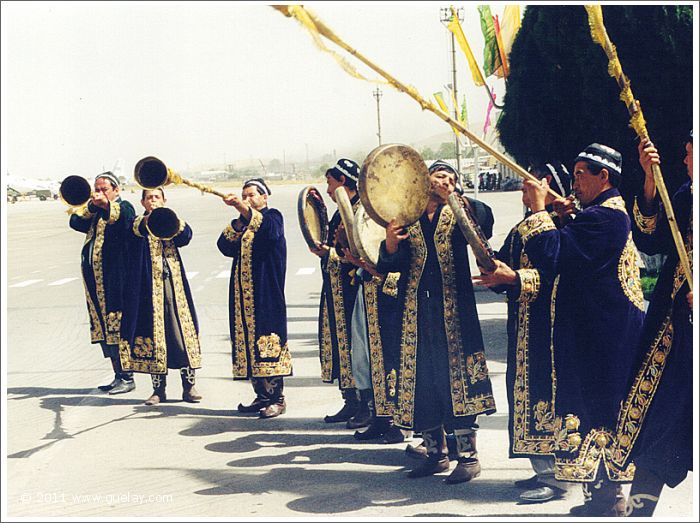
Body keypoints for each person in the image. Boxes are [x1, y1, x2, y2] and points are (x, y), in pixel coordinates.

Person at [519, 143, 646, 517]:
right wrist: (566, 216)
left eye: (579, 175)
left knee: (601, 414)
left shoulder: (606, 218)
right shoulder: (599, 215)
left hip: (605, 338)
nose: (573, 183)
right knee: (596, 413)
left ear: (602, 176)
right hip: (601, 334)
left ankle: (611, 500)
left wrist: (538, 211)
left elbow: (555, 253)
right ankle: (602, 497)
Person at [377, 161, 497, 483]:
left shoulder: (458, 212)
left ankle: (468, 458)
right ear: (424, 178)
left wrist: (457, 198)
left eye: (452, 178)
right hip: (416, 314)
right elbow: (391, 263)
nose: (445, 181)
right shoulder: (409, 215)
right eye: (440, 175)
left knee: (456, 380)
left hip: (454, 314)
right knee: (422, 380)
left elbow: (485, 222)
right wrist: (390, 241)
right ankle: (435, 454)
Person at [473, 162, 574, 504]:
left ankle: (557, 476)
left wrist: (515, 279)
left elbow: (559, 275)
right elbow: (507, 262)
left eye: (529, 184)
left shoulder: (565, 226)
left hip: (553, 328)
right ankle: (542, 467)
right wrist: (493, 270)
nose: (522, 190)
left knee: (547, 395)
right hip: (523, 326)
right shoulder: (523, 228)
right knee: (524, 394)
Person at [616, 132, 693, 516]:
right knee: (660, 425)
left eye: (689, 154)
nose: (684, 161)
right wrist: (648, 179)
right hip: (675, 334)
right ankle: (637, 513)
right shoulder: (685, 197)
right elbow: (648, 238)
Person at [118, 188, 202, 405]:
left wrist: (168, 219)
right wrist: (149, 220)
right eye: (149, 198)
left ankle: (189, 386)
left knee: (181, 333)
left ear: (164, 200)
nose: (153, 201)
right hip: (147, 290)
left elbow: (186, 236)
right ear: (143, 202)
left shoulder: (171, 219)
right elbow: (132, 233)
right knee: (153, 337)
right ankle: (158, 390)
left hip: (173, 287)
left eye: (157, 197)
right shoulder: (137, 223)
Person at [217, 178, 292, 419]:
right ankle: (260, 395)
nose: (247, 199)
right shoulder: (243, 224)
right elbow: (224, 246)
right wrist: (239, 221)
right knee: (249, 345)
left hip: (266, 294)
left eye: (252, 195)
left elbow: (271, 232)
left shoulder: (273, 217)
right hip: (242, 298)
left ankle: (277, 398)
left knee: (268, 344)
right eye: (244, 195)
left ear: (264, 197)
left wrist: (243, 209)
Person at [69, 172, 136, 395]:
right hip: (96, 283)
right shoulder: (95, 212)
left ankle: (127, 376)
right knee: (103, 329)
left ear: (116, 190)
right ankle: (118, 375)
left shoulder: (123, 207)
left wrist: (106, 204)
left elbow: (123, 217)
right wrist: (92, 205)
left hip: (115, 281)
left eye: (104, 189)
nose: (99, 193)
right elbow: (75, 221)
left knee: (116, 325)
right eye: (96, 189)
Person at [309, 159, 363, 425]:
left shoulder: (360, 210)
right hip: (336, 291)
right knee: (341, 345)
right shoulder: (339, 212)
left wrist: (329, 253)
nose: (328, 191)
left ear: (342, 182)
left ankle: (366, 405)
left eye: (330, 184)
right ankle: (350, 401)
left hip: (354, 293)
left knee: (357, 347)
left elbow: (358, 253)